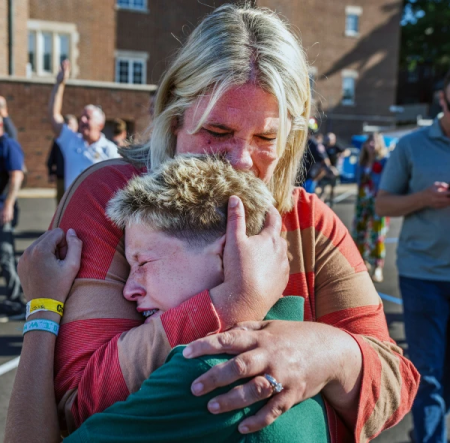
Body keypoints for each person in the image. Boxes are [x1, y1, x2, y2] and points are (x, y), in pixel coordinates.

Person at [6, 4, 418, 443]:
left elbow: (395, 382)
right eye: (217, 132)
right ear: (174, 115)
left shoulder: (310, 221)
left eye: (266, 138)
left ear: (291, 139)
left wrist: (323, 352)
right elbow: (79, 403)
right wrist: (235, 302)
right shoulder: (113, 197)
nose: (241, 160)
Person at [376, 70, 450, 443]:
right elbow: (382, 204)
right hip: (423, 275)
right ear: (443, 98)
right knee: (428, 372)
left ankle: (425, 433)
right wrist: (424, 198)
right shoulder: (411, 146)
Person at [48, 60, 120, 190]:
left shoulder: (110, 150)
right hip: (72, 203)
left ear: (100, 125)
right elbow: (54, 117)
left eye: (88, 117)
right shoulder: (71, 141)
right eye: (81, 117)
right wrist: (59, 84)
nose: (82, 120)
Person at [353, 133, 389, 283]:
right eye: (369, 142)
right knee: (358, 232)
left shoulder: (385, 161)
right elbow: (358, 180)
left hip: (378, 201)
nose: (371, 145)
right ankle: (362, 261)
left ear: (380, 145)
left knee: (378, 234)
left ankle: (378, 266)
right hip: (362, 201)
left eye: (374, 142)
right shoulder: (362, 162)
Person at [0, 115, 25, 318]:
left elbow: (17, 175)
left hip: (3, 210)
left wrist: (8, 205)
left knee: (6, 254)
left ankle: (17, 299)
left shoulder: (9, 145)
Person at [47, 114, 78, 204]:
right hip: (62, 177)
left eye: (70, 124)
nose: (68, 127)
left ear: (76, 126)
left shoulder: (81, 141)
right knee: (61, 202)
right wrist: (51, 172)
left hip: (75, 177)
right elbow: (51, 158)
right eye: (66, 124)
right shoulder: (59, 141)